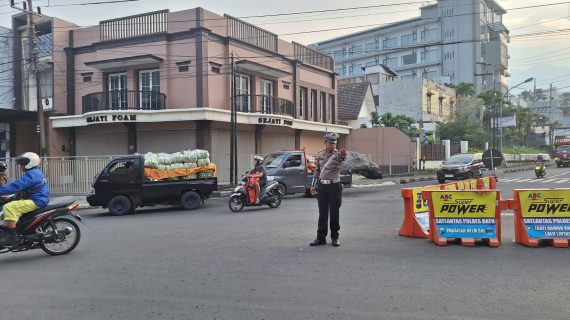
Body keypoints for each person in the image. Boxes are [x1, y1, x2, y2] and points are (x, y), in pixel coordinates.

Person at [0, 152, 49, 246]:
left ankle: (12, 236)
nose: (21, 166)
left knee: (9, 208)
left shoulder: (32, 175)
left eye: (23, 163)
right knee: (6, 210)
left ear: (29, 163)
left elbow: (15, 186)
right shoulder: (34, 172)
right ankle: (14, 227)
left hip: (36, 200)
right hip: (36, 198)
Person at [309, 132, 346, 247]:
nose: (333, 145)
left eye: (335, 143)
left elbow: (341, 165)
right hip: (322, 186)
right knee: (322, 213)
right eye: (331, 143)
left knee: (334, 212)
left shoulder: (338, 154)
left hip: (335, 186)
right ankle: (321, 238)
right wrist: (313, 185)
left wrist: (341, 158)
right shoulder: (320, 154)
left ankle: (335, 237)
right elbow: (317, 171)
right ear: (325, 143)